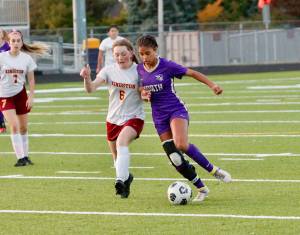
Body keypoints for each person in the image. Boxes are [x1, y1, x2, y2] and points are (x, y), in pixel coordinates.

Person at [136, 35, 231, 202]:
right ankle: (202, 188)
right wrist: (143, 94)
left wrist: (212, 85)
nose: (144, 58)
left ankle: (214, 171)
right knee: (174, 157)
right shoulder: (139, 69)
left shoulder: (167, 66)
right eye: (141, 54)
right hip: (158, 117)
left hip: (176, 110)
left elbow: (192, 73)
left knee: (181, 144)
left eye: (147, 53)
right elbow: (140, 89)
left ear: (155, 50)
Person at [80, 39, 145, 198]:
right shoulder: (108, 70)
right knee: (116, 158)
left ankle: (119, 180)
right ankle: (126, 178)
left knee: (122, 142)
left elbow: (144, 94)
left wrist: (144, 93)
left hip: (134, 117)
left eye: (123, 53)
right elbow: (91, 89)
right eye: (116, 54)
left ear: (131, 53)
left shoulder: (140, 71)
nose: (120, 57)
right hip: (113, 119)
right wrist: (87, 78)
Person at [0, 29, 48, 167]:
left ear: (21, 43)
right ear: (8, 43)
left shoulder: (27, 59)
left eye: (18, 41)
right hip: (4, 95)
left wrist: (31, 96)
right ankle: (20, 158)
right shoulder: (2, 57)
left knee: (23, 128)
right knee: (14, 126)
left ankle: (26, 156)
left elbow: (31, 80)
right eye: (13, 41)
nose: (15, 43)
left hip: (21, 94)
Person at [0, 28, 10, 133]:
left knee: (4, 101)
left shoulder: (7, 46)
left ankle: (5, 118)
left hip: (6, 78)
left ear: (2, 34)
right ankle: (1, 123)